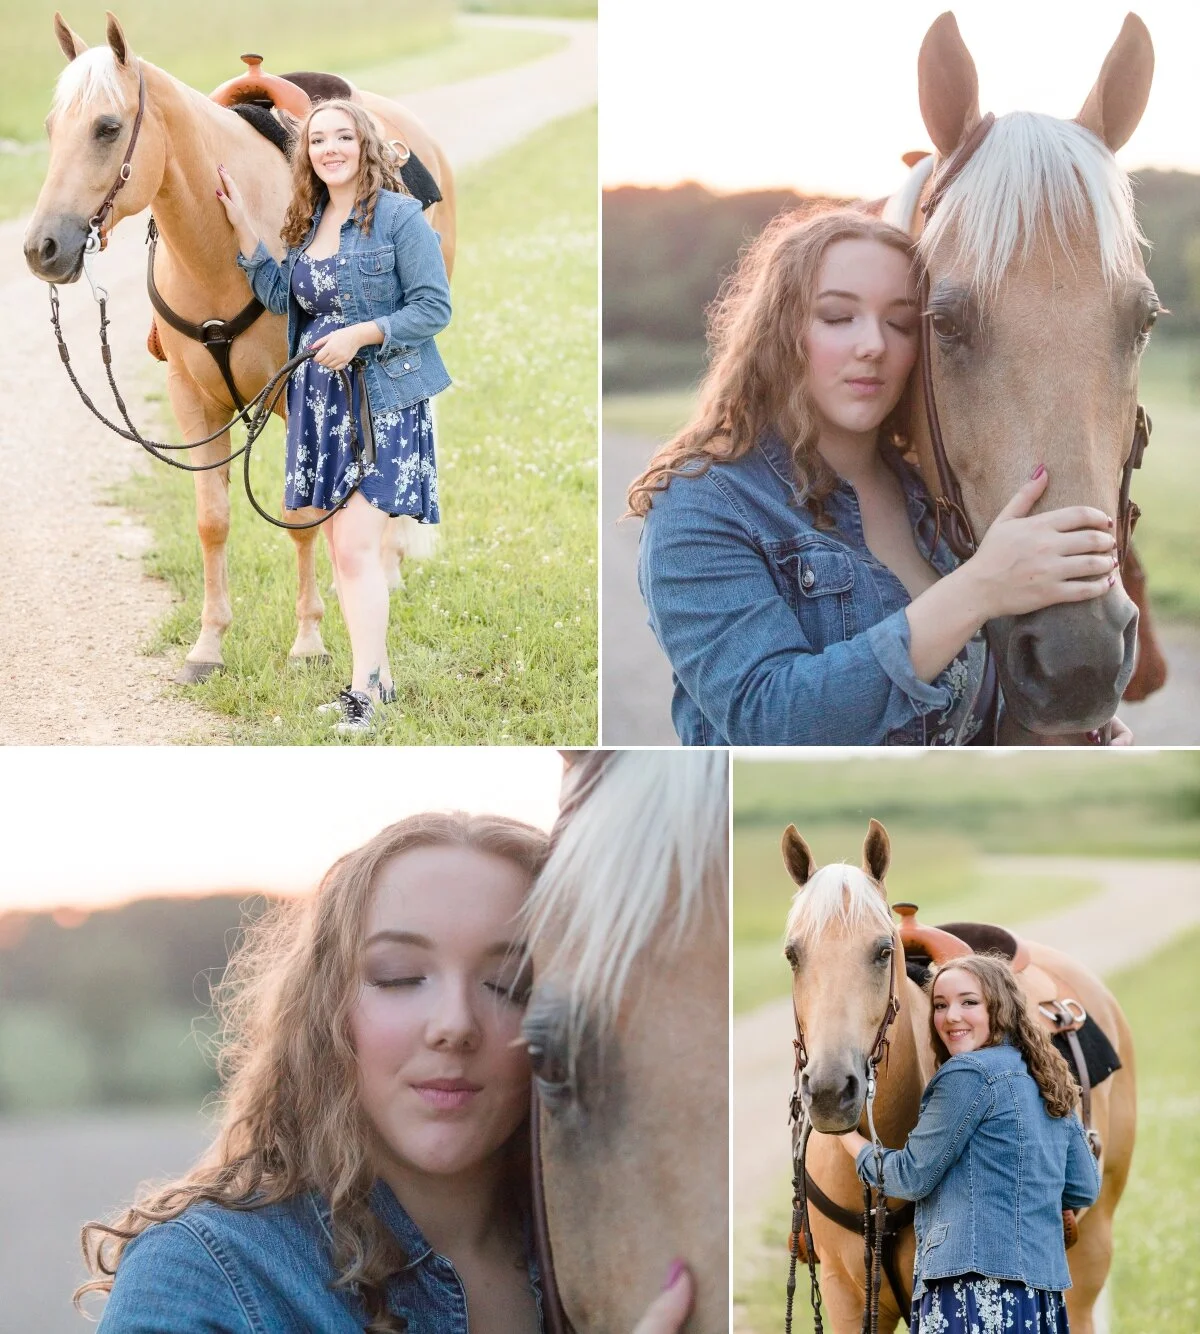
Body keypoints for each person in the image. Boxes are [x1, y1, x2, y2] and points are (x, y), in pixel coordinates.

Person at [78, 812, 695, 1334]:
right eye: (400, 976)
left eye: (510, 985)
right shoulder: (205, 1273)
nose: (454, 1024)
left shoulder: (621, 1247)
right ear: (327, 1010)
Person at [628, 208, 1133, 747]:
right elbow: (769, 720)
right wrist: (978, 588)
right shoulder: (704, 506)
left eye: (899, 322)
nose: (873, 345)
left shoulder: (938, 499)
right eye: (838, 317)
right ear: (780, 330)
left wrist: (1044, 737)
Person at [216, 99, 452, 735]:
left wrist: (364, 333)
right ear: (308, 154)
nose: (331, 149)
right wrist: (244, 229)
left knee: (352, 548)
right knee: (344, 549)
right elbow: (281, 294)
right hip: (319, 407)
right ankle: (377, 679)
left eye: (343, 136)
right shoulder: (309, 222)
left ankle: (365, 693)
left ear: (364, 144)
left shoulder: (400, 218)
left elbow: (434, 307)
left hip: (382, 403)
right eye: (319, 140)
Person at [832, 954, 1102, 1333]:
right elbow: (1083, 1186)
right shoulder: (1045, 1077)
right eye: (940, 1005)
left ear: (1000, 1008)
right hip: (1039, 1297)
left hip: (971, 1293)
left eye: (968, 1002)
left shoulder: (967, 1074)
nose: (951, 1016)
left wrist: (848, 1138)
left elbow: (910, 1178)